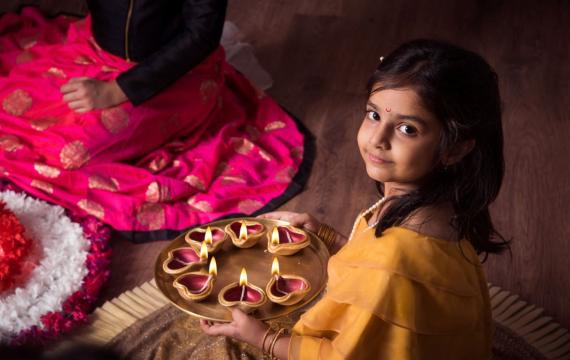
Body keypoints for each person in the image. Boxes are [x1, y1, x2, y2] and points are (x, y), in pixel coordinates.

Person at [201, 39, 508, 359]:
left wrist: (261, 338)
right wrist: (328, 237)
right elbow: (384, 279)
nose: (377, 140)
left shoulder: (399, 251)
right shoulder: (435, 205)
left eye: (407, 128)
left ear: (456, 148)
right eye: (374, 115)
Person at [0, 2, 307, 241]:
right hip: (95, 50)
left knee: (70, 153)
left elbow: (201, 35)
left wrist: (118, 90)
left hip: (175, 76)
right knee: (18, 109)